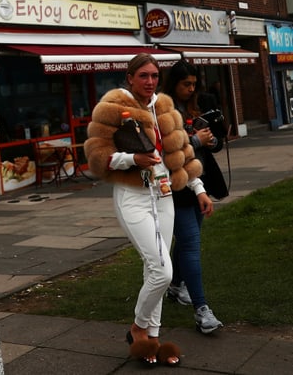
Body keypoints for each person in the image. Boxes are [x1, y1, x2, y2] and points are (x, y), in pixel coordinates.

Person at [84, 53, 206, 367]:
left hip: (164, 198)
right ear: (130, 78)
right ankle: (138, 328)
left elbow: (182, 155)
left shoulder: (165, 107)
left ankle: (152, 338)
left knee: (153, 269)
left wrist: (199, 189)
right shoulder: (112, 107)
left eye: (154, 76)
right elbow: (98, 158)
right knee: (163, 270)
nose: (150, 82)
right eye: (143, 76)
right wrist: (132, 161)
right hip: (133, 196)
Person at [163, 60, 225, 334]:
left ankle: (176, 287)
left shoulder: (195, 106)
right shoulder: (165, 110)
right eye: (185, 84)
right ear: (173, 84)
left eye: (193, 84)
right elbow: (169, 149)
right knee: (190, 244)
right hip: (178, 185)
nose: (191, 89)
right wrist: (197, 140)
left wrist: (212, 141)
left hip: (199, 181)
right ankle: (202, 309)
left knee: (187, 240)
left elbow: (211, 141)